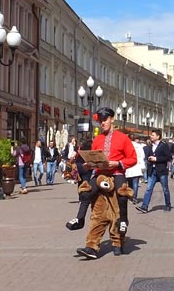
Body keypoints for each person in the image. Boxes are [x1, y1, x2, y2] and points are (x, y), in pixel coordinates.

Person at [72, 107, 137, 258]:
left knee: (120, 201)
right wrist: (89, 164)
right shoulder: (98, 139)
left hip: (116, 174)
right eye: (101, 120)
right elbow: (94, 157)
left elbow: (133, 158)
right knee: (92, 201)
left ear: (112, 119)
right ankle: (89, 240)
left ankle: (119, 238)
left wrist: (118, 163)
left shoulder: (123, 138)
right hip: (100, 175)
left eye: (105, 119)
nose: (103, 123)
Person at [136, 130, 173, 213]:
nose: (151, 136)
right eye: (151, 135)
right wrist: (149, 158)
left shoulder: (163, 145)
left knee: (165, 189)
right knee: (149, 189)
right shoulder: (150, 146)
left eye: (153, 135)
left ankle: (168, 204)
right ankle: (144, 207)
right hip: (152, 171)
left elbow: (168, 157)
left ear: (158, 136)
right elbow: (148, 155)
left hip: (161, 171)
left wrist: (156, 159)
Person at [125, 134, 146, 204]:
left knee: (129, 182)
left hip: (129, 165)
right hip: (137, 165)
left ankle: (130, 195)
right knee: (135, 182)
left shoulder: (127, 145)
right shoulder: (139, 146)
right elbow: (143, 156)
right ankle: (135, 198)